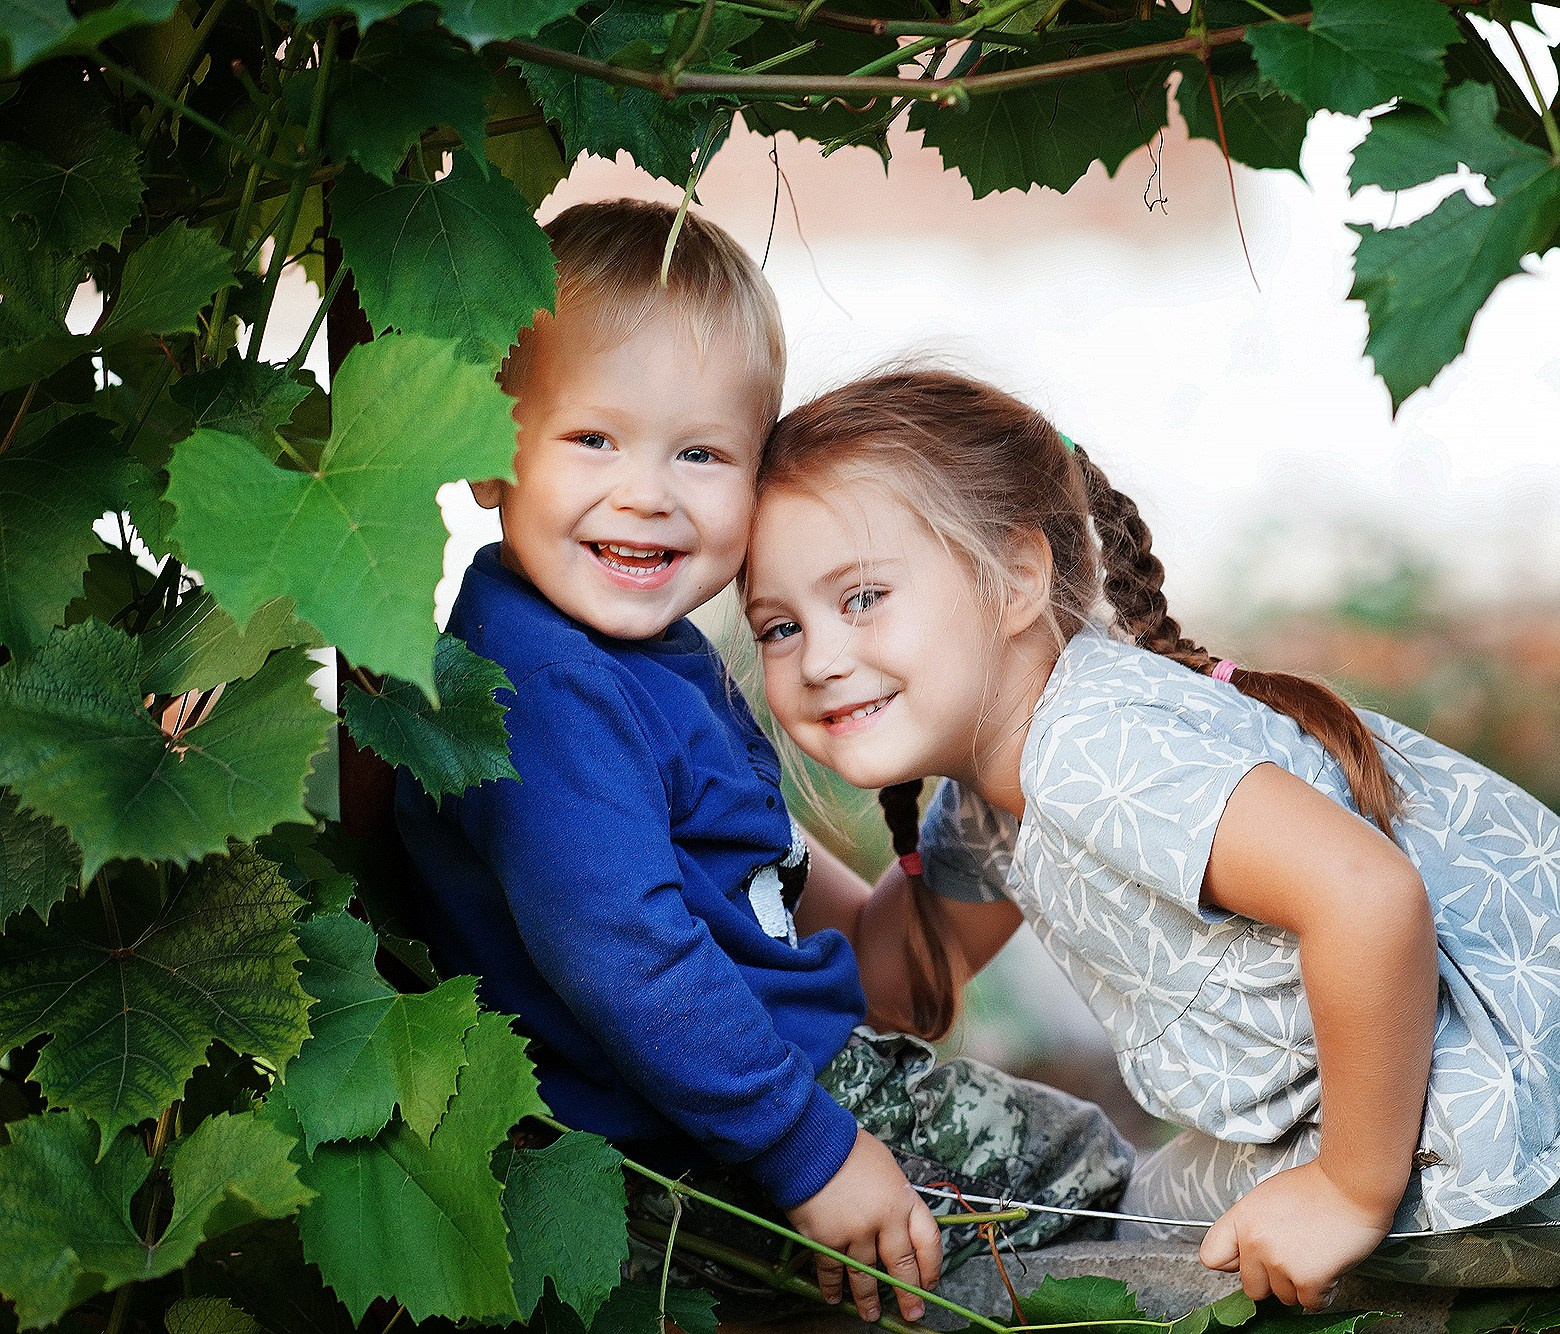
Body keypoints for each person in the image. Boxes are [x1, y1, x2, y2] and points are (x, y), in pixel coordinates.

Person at [739, 369, 1560, 1308]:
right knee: (1148, 1189)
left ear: (1013, 578)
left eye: (861, 596)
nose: (819, 656)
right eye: (777, 625)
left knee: (1138, 1206)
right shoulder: (1001, 791)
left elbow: (1367, 895)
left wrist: (1348, 1191)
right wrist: (715, 819)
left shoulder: (1096, 744)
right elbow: (893, 979)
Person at [393, 206, 1131, 1326]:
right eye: (593, 438)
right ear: (489, 451)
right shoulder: (539, 686)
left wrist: (1003, 780)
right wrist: (813, 1151)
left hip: (758, 1079)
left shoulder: (639, 656)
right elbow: (627, 954)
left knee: (1056, 1146)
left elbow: (836, 932)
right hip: (719, 1119)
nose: (646, 491)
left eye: (699, 453)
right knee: (1093, 1176)